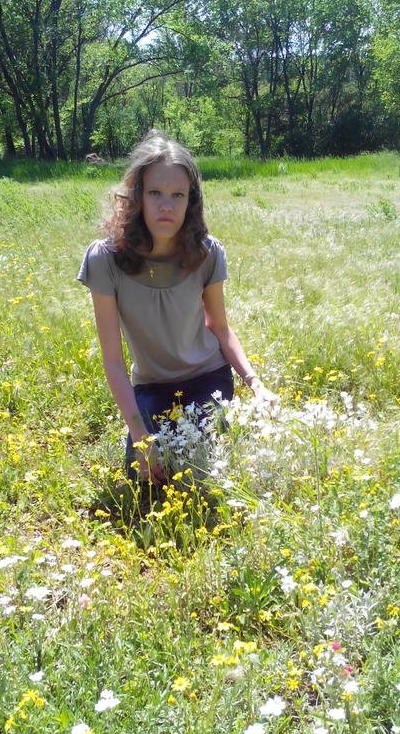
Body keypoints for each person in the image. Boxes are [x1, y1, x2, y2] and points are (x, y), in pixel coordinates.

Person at [78, 131, 276, 483]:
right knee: (146, 475)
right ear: (136, 196)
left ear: (191, 202)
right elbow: (113, 359)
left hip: (207, 379)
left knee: (195, 471)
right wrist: (138, 432)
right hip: (151, 387)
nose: (166, 205)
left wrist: (255, 384)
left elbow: (220, 328)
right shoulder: (105, 259)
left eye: (177, 195)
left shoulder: (206, 253)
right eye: (155, 193)